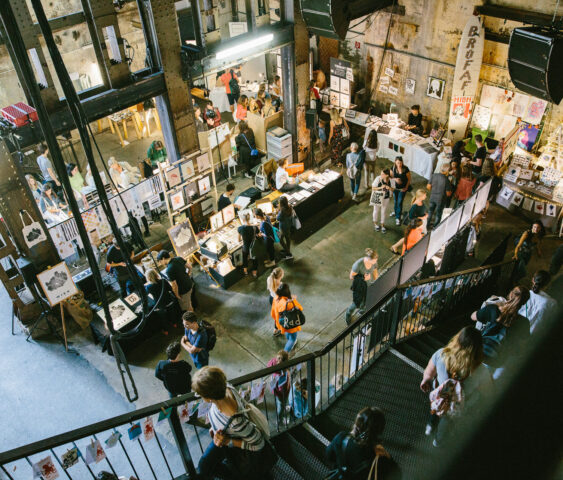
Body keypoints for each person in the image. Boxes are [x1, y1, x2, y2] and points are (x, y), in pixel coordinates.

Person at [192, 366, 273, 480]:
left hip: (228, 442)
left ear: (208, 397)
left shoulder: (236, 422)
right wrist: (213, 427)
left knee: (204, 467)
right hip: (221, 437)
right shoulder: (226, 388)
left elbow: (259, 444)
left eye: (199, 394)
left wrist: (228, 441)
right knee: (204, 466)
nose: (199, 396)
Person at [420, 326, 490, 446]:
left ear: (457, 340)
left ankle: (430, 426)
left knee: (436, 407)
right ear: (478, 349)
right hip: (457, 404)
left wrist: (425, 380)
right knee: (447, 422)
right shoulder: (481, 371)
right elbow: (487, 392)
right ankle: (438, 441)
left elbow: (429, 372)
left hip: (440, 395)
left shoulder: (441, 354)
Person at [326, 407, 400, 479]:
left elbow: (329, 456)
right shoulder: (380, 457)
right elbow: (397, 474)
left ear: (357, 424)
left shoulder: (341, 438)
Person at [471, 286, 530, 367]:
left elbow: (473, 317)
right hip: (497, 361)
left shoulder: (493, 309)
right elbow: (523, 344)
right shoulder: (524, 322)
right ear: (524, 302)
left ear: (511, 294)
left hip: (478, 353)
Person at [345, 249, 378, 325]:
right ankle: (348, 314)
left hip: (368, 285)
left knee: (366, 300)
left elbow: (375, 272)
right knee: (356, 303)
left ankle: (362, 311)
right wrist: (363, 278)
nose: (375, 262)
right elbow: (351, 277)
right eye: (374, 261)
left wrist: (375, 282)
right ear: (369, 259)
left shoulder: (374, 262)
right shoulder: (358, 264)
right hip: (359, 287)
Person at [271, 282, 303, 352]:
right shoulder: (289, 303)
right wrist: (294, 300)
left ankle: (289, 339)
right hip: (291, 323)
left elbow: (273, 311)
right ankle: (285, 354)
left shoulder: (276, 298)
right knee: (292, 339)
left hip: (282, 322)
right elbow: (300, 308)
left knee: (287, 332)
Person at [267, 350, 291, 425]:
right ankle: (279, 420)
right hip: (281, 394)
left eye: (280, 359)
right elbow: (283, 389)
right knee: (280, 406)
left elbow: (269, 364)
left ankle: (282, 410)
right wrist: (284, 395)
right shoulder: (283, 375)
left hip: (275, 390)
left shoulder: (273, 362)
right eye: (279, 359)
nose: (279, 361)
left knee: (280, 404)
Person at [426, 163, 453, 228]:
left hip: (432, 197)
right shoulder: (447, 180)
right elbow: (448, 194)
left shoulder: (434, 175)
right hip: (441, 200)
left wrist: (434, 189)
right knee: (438, 214)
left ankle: (426, 225)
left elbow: (428, 187)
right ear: (447, 171)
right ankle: (435, 227)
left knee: (430, 211)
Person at [389, 156, 411, 225]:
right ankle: (396, 212)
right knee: (396, 201)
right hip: (395, 189)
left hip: (402, 189)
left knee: (399, 202)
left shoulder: (405, 169)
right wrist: (395, 179)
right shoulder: (392, 168)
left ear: (402, 162)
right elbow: (390, 178)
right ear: (395, 162)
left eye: (400, 163)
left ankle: (398, 218)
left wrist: (406, 187)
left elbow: (409, 179)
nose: (399, 164)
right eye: (398, 162)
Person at [371, 168, 392, 232]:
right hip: (378, 196)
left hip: (386, 197)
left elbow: (393, 189)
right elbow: (373, 188)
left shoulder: (391, 180)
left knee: (383, 211)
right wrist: (380, 187)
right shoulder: (378, 179)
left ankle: (382, 225)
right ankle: (375, 224)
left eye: (382, 174)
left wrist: (389, 188)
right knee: (376, 210)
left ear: (387, 175)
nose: (381, 175)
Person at [237, 213, 258, 277]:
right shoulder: (254, 227)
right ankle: (254, 273)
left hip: (245, 247)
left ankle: (245, 272)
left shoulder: (240, 228)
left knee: (245, 258)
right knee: (254, 259)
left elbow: (238, 240)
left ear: (243, 220)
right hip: (253, 247)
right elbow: (258, 234)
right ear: (249, 219)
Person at [267, 267, 284, 336]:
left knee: (276, 314)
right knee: (280, 315)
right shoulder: (281, 285)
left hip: (271, 299)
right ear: (281, 276)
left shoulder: (269, 279)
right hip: (278, 302)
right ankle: (276, 329)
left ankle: (276, 328)